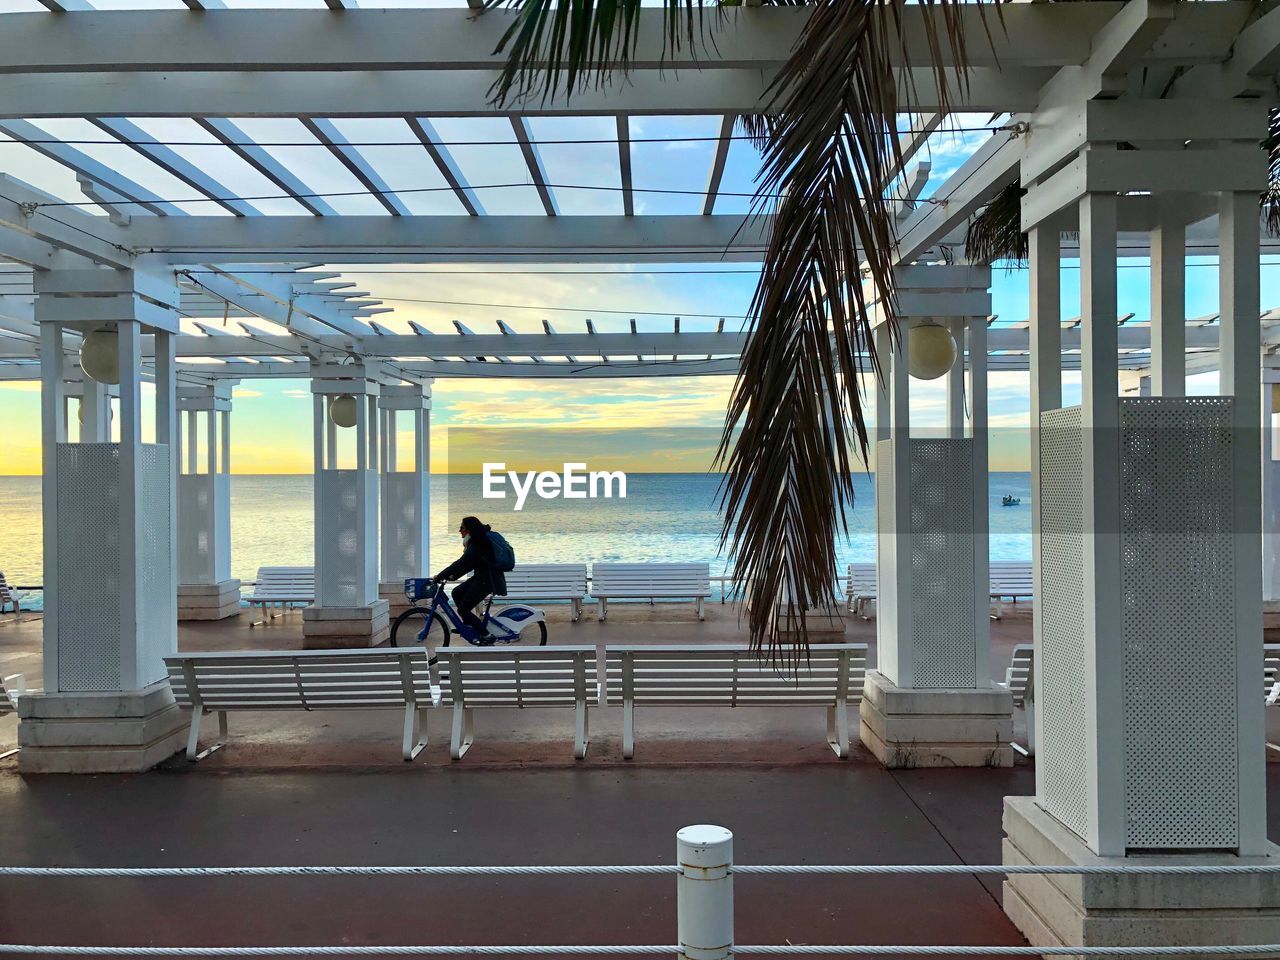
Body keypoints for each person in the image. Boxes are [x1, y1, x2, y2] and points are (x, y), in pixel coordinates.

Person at [435, 516, 507, 638]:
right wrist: (453, 576)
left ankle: (485, 635)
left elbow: (461, 562)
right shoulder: (477, 541)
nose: (459, 530)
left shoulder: (477, 544)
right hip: (483, 578)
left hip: (487, 581)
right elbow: (469, 564)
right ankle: (469, 624)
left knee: (463, 610)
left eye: (461, 527)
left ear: (469, 529)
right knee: (457, 593)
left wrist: (440, 576)